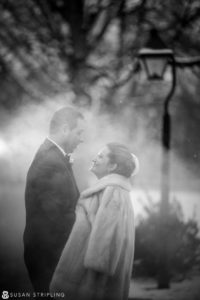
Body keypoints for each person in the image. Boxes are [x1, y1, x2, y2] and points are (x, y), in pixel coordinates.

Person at [50, 142, 139, 300]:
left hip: (92, 286)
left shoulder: (113, 192)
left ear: (112, 166)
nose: (94, 159)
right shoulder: (112, 190)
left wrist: (91, 287)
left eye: (100, 156)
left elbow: (103, 253)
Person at [23, 106, 85, 293]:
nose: (82, 139)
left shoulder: (53, 156)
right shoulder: (50, 162)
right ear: (65, 129)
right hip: (49, 259)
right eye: (79, 132)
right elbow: (58, 218)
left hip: (50, 255)